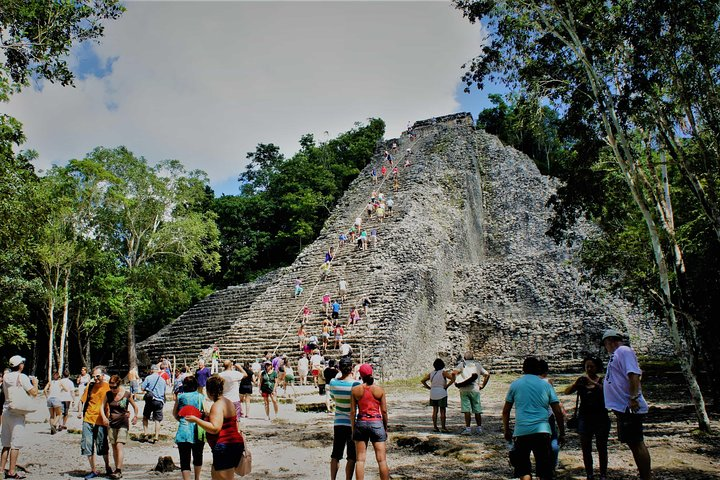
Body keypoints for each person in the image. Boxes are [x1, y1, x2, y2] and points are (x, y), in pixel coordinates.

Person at [503, 356, 564, 480]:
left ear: (523, 369)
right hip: (542, 431)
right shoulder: (546, 385)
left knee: (523, 469)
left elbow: (506, 411)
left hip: (522, 431)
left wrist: (506, 429)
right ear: (538, 369)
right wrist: (562, 432)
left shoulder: (515, 385)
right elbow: (557, 411)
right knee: (544, 469)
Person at [602, 329, 652, 480]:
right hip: (623, 407)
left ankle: (646, 477)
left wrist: (634, 397)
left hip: (629, 406)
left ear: (609, 341)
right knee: (632, 442)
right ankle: (644, 474)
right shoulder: (616, 355)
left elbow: (634, 374)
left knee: (637, 442)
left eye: (605, 344)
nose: (606, 347)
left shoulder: (623, 351)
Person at [185, 376, 244, 480]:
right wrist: (206, 416)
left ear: (210, 391)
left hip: (225, 446)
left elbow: (215, 428)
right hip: (233, 444)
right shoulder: (228, 402)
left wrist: (196, 420)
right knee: (215, 475)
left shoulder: (217, 405)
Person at [565, 357, 610, 480]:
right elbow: (567, 392)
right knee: (586, 448)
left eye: (591, 366)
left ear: (597, 367)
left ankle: (603, 474)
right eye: (587, 367)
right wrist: (576, 384)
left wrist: (593, 383)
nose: (589, 369)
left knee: (602, 447)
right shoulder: (581, 381)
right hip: (584, 417)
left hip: (601, 417)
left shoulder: (602, 380)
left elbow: (608, 392)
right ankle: (589, 473)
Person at [1, 355, 39, 480]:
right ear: (20, 365)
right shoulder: (21, 377)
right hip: (17, 414)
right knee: (15, 444)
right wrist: (35, 383)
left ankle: (1, 469)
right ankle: (12, 471)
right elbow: (33, 392)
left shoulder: (6, 376)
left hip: (6, 411)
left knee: (5, 444)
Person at [350, 364, 389, 480]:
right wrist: (385, 428)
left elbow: (352, 412)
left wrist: (353, 429)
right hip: (376, 423)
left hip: (361, 422)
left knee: (360, 460)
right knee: (382, 460)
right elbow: (384, 411)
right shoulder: (379, 390)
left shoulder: (355, 390)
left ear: (360, 375)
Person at [100, 375, 139, 479]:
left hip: (123, 422)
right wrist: (104, 417)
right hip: (111, 423)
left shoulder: (126, 394)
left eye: (114, 387)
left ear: (119, 385)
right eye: (110, 387)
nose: (112, 389)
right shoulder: (108, 394)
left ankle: (118, 469)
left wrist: (135, 416)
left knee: (119, 445)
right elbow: (101, 406)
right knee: (113, 447)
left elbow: (135, 406)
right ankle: (116, 468)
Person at [329, 357, 361, 480]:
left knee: (335, 454)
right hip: (352, 423)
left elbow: (332, 397)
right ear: (351, 368)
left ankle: (333, 478)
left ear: (339, 369)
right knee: (352, 456)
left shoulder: (333, 382)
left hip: (338, 422)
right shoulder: (356, 385)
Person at [80, 366, 112, 479]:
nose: (96, 379)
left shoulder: (108, 387)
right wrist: (80, 412)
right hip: (88, 419)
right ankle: (93, 470)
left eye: (98, 376)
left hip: (101, 421)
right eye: (94, 377)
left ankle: (107, 466)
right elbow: (83, 400)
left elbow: (113, 403)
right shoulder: (90, 386)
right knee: (87, 445)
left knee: (102, 445)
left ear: (103, 375)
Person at [173, 375, 205, 480]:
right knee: (198, 456)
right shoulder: (201, 397)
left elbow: (175, 413)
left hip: (183, 430)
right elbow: (206, 412)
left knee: (184, 459)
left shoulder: (180, 397)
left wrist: (181, 420)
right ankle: (197, 478)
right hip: (198, 429)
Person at [453, 351, 491, 434]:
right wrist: (483, 385)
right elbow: (487, 374)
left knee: (467, 410)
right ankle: (479, 428)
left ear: (465, 358)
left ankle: (468, 429)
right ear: (473, 358)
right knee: (477, 409)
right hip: (475, 389)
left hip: (464, 389)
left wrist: (456, 381)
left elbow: (454, 373)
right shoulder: (477, 365)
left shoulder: (461, 365)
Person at [421, 359, 454, 432]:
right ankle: (443, 427)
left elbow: (423, 380)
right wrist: (447, 386)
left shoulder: (431, 373)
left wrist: (428, 387)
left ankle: (435, 427)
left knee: (435, 410)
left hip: (433, 393)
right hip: (442, 392)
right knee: (442, 411)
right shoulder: (443, 373)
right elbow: (452, 379)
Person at [141, 364, 167, 443]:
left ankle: (146, 433)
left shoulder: (148, 378)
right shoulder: (162, 380)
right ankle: (156, 436)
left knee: (145, 417)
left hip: (150, 400)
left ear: (151, 370)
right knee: (157, 420)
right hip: (159, 401)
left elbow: (142, 388)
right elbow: (164, 391)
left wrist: (148, 389)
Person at [43, 370, 63, 435]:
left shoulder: (50, 382)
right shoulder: (60, 382)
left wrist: (47, 397)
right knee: (59, 414)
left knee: (51, 416)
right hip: (56, 398)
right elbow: (66, 389)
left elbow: (45, 390)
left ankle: (52, 430)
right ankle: (54, 425)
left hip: (50, 399)